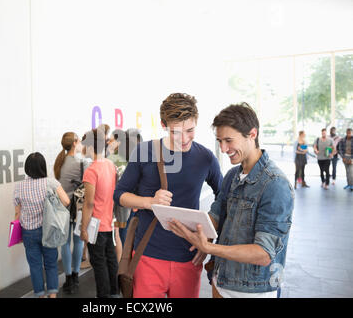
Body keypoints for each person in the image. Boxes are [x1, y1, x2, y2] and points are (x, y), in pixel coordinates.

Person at [169, 103, 294, 298]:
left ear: (252, 134)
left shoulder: (275, 185)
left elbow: (263, 254)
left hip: (253, 291)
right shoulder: (231, 176)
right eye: (219, 141)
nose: (223, 148)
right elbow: (215, 217)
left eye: (228, 140)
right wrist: (187, 226)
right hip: (220, 280)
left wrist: (208, 247)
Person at [113, 93, 223, 298]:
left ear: (196, 123)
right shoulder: (145, 151)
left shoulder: (205, 157)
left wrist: (208, 238)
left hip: (188, 258)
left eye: (190, 131)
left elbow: (224, 199)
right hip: (148, 255)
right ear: (164, 125)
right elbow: (119, 195)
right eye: (176, 132)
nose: (184, 139)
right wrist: (149, 202)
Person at [13, 152, 70, 298]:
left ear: (27, 168)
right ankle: (52, 295)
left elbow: (17, 214)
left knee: (35, 266)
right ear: (43, 167)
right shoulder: (50, 183)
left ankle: (40, 295)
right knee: (51, 264)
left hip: (29, 232)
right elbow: (66, 201)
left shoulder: (19, 187)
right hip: (49, 229)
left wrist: (17, 234)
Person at [80, 128, 119, 298]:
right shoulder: (111, 165)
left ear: (90, 147)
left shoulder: (91, 170)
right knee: (111, 261)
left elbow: (89, 203)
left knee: (99, 264)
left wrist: (83, 228)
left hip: (95, 226)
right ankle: (114, 294)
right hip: (109, 223)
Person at [53, 132, 90, 294]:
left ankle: (68, 279)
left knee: (65, 243)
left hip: (61, 207)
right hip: (78, 208)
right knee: (78, 241)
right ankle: (75, 277)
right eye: (79, 141)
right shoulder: (82, 163)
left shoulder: (58, 162)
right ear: (75, 143)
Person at [107, 129, 130, 262]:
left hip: (117, 205)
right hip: (127, 203)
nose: (108, 142)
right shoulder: (127, 156)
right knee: (124, 236)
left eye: (111, 140)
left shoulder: (112, 160)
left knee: (118, 237)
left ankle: (119, 269)